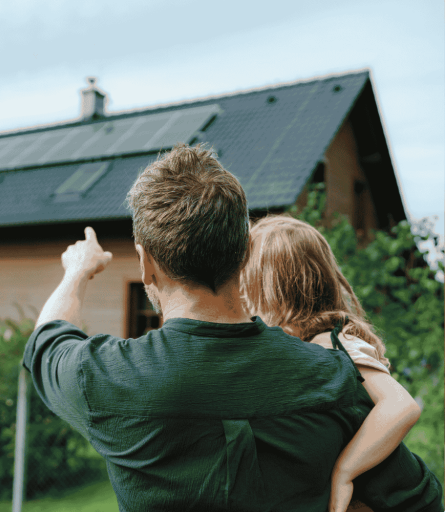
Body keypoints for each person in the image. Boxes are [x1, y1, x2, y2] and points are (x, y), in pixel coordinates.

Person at [22, 143, 443, 511]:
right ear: (243, 253)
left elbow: (48, 338)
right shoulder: (332, 377)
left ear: (146, 263)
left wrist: (77, 271)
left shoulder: (105, 378)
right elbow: (421, 501)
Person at [240, 215, 426, 511]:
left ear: (275, 291)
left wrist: (345, 472)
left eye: (248, 286)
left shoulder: (334, 344)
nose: (244, 299)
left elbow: (402, 407)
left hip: (407, 500)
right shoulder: (308, 345)